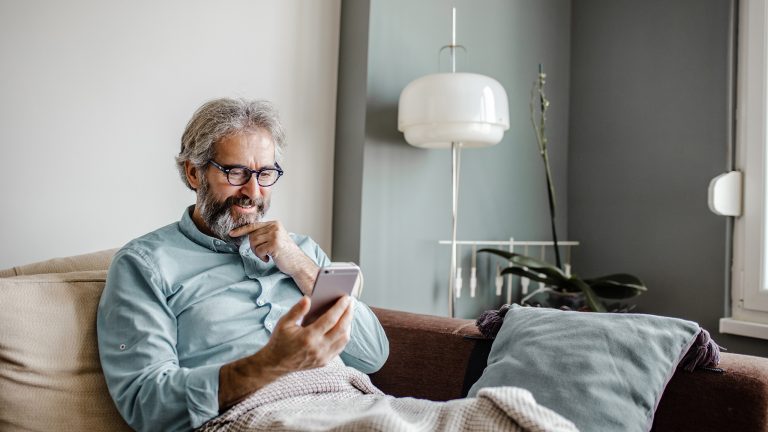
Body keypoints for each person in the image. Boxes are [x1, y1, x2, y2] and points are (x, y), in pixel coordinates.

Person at [96, 98, 389, 432]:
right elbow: (147, 403)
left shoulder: (300, 251)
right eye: (236, 173)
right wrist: (270, 364)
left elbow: (372, 356)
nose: (253, 191)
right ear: (194, 173)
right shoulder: (145, 265)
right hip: (249, 418)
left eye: (265, 174)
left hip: (351, 404)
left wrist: (302, 267)